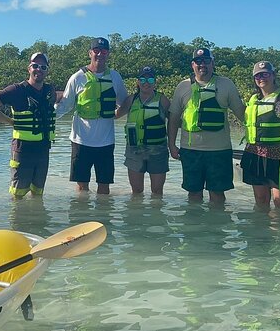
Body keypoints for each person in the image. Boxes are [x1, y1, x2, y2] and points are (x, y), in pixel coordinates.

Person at [167, 47, 245, 205]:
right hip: (190, 151)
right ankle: (195, 227)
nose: (202, 64)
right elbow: (174, 118)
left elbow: (243, 115)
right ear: (192, 65)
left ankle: (216, 228)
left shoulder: (226, 84)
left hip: (219, 151)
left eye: (206, 61)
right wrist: (171, 145)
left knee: (217, 195)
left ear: (213, 63)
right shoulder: (182, 86)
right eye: (198, 61)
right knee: (193, 195)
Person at [55, 36, 128, 194]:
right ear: (90, 53)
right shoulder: (77, 77)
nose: (100, 54)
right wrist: (46, 118)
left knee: (104, 187)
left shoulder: (115, 77)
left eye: (103, 51)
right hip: (81, 141)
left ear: (108, 54)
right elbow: (65, 106)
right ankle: (84, 216)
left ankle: (102, 217)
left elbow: (125, 103)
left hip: (106, 142)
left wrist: (116, 115)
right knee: (82, 187)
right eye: (96, 51)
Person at [0, 52, 57, 198]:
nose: (39, 69)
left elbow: (62, 97)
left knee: (38, 194)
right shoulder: (16, 90)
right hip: (22, 150)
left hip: (43, 149)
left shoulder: (50, 91)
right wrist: (8, 121)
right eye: (35, 66)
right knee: (18, 195)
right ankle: (18, 220)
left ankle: (37, 219)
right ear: (29, 68)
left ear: (47, 70)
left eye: (43, 67)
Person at [240, 61, 280, 209]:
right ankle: (261, 231)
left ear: (273, 75)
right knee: (261, 200)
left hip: (278, 155)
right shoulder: (254, 99)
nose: (261, 78)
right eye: (258, 75)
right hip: (254, 153)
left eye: (265, 74)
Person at [115, 66, 170, 196]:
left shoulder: (162, 99)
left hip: (158, 150)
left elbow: (174, 122)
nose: (146, 83)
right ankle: (136, 215)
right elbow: (116, 115)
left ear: (155, 82)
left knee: (157, 192)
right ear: (138, 82)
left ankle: (156, 215)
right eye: (143, 79)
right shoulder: (130, 100)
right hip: (134, 150)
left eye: (150, 80)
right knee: (136, 192)